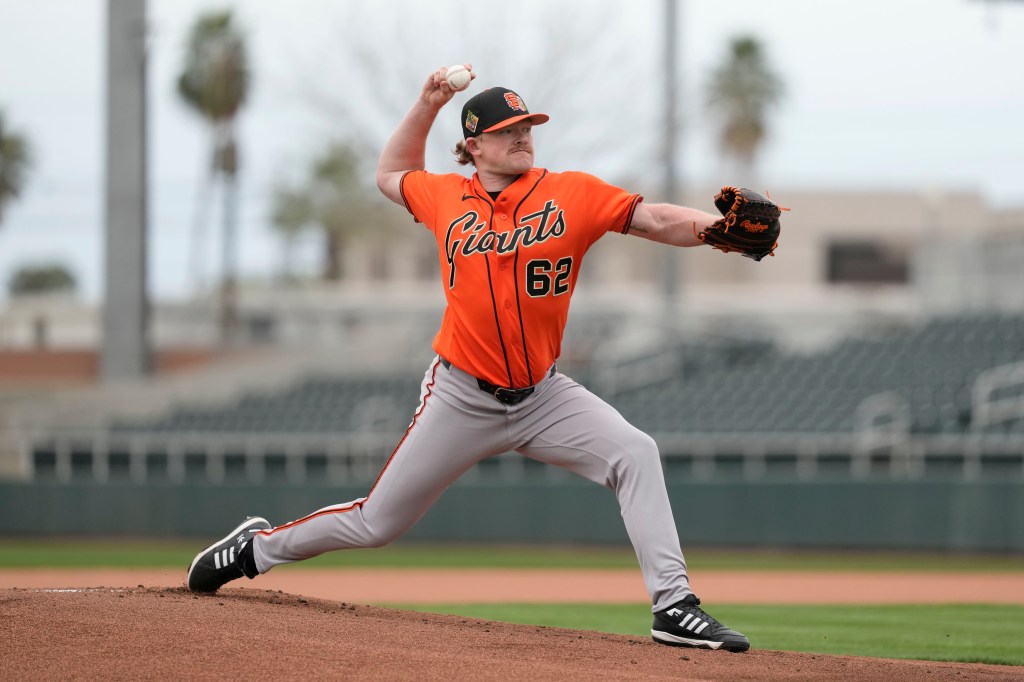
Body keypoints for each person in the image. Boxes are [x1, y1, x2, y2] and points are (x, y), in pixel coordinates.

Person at [187, 65, 750, 653]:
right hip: (460, 397)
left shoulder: (573, 192)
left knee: (636, 452)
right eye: (508, 130)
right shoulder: (445, 196)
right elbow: (389, 174)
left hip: (544, 395)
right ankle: (254, 550)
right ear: (474, 145)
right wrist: (427, 103)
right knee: (376, 523)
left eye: (527, 126)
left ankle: (674, 607)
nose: (523, 136)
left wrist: (717, 230)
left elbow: (656, 218)